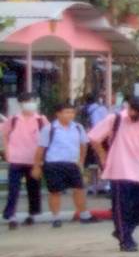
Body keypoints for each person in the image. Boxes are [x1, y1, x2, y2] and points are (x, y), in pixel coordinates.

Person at [89, 94, 139, 252]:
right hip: (119, 168)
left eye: (138, 112)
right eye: (132, 110)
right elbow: (94, 137)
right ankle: (125, 239)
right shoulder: (116, 119)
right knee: (121, 206)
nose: (133, 114)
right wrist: (103, 156)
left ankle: (124, 230)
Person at [36, 103, 91, 226]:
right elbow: (41, 148)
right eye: (67, 112)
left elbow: (83, 145)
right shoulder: (50, 129)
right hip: (53, 164)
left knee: (79, 189)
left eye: (72, 112)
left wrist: (81, 161)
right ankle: (56, 218)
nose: (70, 115)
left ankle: (84, 215)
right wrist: (37, 165)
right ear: (58, 114)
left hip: (72, 163)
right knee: (55, 192)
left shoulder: (78, 127)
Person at [4, 96, 47, 227]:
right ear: (21, 104)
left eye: (32, 102)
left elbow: (47, 137)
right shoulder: (14, 119)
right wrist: (7, 151)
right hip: (16, 159)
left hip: (34, 159)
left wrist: (42, 158)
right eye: (27, 102)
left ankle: (32, 214)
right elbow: (5, 134)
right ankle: (11, 215)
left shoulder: (41, 120)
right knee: (13, 188)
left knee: (33, 188)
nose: (30, 104)